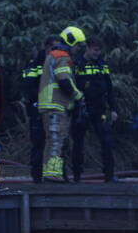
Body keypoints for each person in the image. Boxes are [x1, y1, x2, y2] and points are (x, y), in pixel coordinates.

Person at [37, 26, 85, 181]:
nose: (78, 49)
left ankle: (50, 173)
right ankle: (52, 175)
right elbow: (64, 80)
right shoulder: (62, 57)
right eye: (77, 45)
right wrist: (78, 96)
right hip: (55, 105)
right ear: (71, 42)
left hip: (51, 105)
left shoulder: (53, 55)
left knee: (52, 140)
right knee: (57, 139)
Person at [72, 36, 119, 182]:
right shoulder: (77, 64)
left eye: (99, 51)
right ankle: (77, 175)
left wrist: (113, 109)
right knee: (78, 143)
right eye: (95, 50)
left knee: (106, 141)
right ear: (88, 48)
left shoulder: (102, 65)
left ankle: (109, 175)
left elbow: (109, 88)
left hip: (99, 109)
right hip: (81, 109)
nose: (97, 53)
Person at [22, 36, 57, 183]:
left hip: (54, 108)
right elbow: (27, 86)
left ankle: (53, 175)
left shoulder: (57, 62)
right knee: (38, 142)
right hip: (38, 109)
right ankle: (37, 177)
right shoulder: (36, 63)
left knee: (56, 142)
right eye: (54, 48)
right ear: (47, 47)